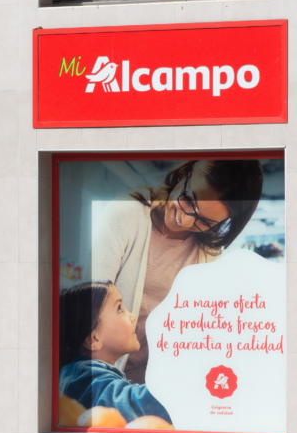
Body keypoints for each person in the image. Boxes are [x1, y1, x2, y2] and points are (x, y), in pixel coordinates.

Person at [92, 160, 263, 383]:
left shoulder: (209, 255)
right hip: (105, 378)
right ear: (184, 173)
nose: (185, 220)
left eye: (204, 221)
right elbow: (91, 308)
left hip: (163, 386)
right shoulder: (124, 215)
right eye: (189, 200)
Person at [57, 281, 171, 426]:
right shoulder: (82, 376)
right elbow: (130, 407)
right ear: (94, 339)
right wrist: (180, 385)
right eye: (119, 309)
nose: (132, 316)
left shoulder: (86, 374)